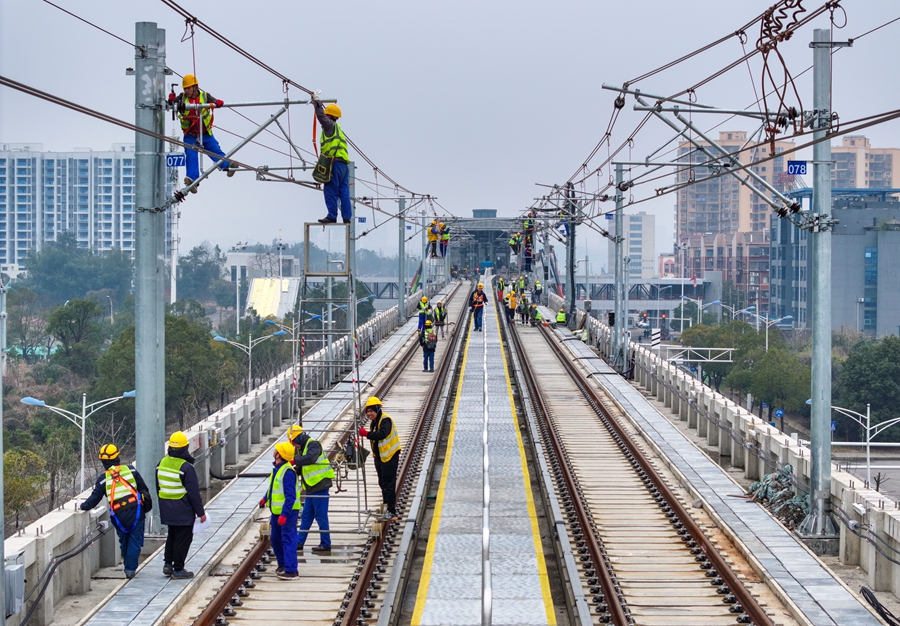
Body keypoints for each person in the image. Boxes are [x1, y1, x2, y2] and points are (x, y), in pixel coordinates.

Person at [80, 444, 152, 579]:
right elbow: (144, 489)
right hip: (136, 512)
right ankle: (130, 569)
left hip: (119, 516)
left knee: (124, 540)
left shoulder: (103, 479)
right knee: (135, 541)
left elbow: (94, 499)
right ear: (117, 457)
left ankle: (128, 565)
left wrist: (82, 506)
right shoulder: (131, 470)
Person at [156, 432, 206, 579]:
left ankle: (168, 564)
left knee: (172, 535)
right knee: (183, 538)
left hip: (166, 507)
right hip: (182, 508)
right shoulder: (186, 467)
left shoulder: (161, 464)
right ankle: (178, 569)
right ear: (185, 448)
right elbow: (193, 493)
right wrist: (200, 512)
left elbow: (158, 487)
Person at [176, 74, 234, 193]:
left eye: (188, 88)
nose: (186, 91)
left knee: (214, 149)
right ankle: (192, 180)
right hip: (190, 134)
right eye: (185, 88)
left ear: (195, 87)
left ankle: (227, 166)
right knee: (191, 155)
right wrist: (173, 101)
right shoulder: (182, 98)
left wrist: (217, 102)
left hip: (205, 133)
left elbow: (214, 101)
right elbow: (173, 103)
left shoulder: (204, 96)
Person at [286, 426, 334, 555]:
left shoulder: (313, 444)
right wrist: (296, 470)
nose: (295, 445)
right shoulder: (303, 447)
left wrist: (294, 461)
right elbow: (306, 465)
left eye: (294, 442)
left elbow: (311, 458)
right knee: (307, 516)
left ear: (299, 437)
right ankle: (299, 543)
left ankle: (325, 544)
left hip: (320, 485)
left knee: (321, 516)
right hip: (311, 487)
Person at [259, 442, 300, 579]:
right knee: (275, 539)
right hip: (277, 512)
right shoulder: (277, 469)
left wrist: (284, 514)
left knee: (288, 538)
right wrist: (265, 498)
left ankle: (291, 570)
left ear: (279, 454)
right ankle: (282, 564)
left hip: (287, 513)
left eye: (276, 450)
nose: (274, 451)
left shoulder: (287, 472)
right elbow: (273, 488)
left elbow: (290, 496)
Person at [358, 397, 401, 521]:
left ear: (377, 409)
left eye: (371, 411)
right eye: (367, 411)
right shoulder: (374, 421)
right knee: (382, 483)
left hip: (390, 456)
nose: (369, 414)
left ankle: (392, 511)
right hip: (381, 456)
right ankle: (387, 506)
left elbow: (383, 434)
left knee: (388, 484)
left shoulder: (385, 420)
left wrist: (366, 434)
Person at [312, 94, 352, 224]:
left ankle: (331, 216)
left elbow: (321, 117)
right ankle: (347, 217)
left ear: (329, 116)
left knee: (330, 190)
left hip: (333, 164)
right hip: (344, 166)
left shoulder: (329, 126)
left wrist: (317, 103)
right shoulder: (338, 129)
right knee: (343, 192)